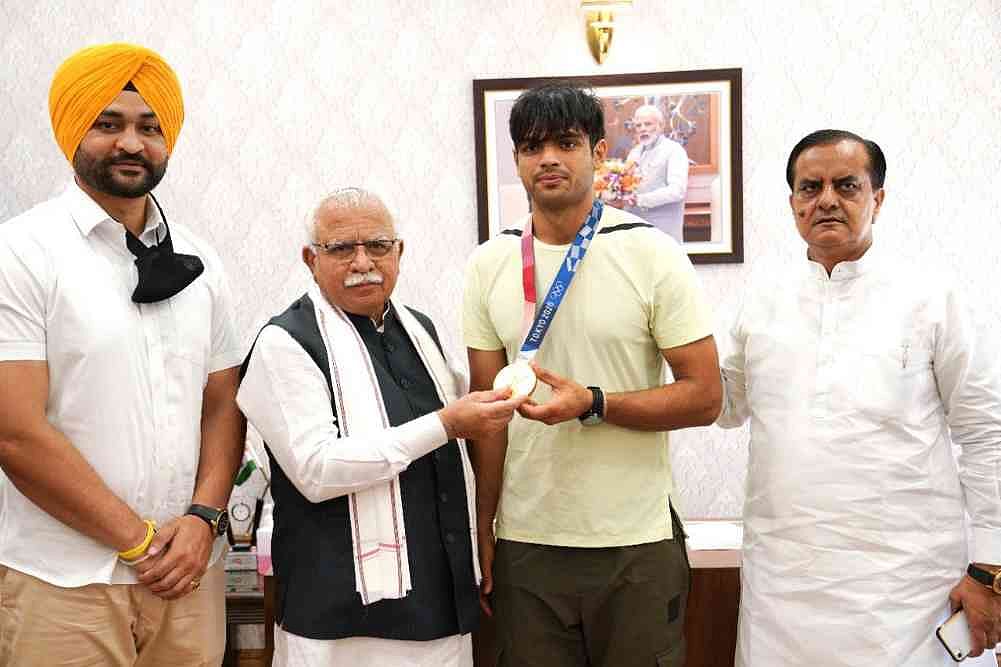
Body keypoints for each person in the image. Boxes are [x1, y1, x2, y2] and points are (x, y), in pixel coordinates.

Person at [0, 43, 246, 665]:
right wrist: (136, 543)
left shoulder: (203, 261)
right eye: (109, 124)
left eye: (148, 127)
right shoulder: (22, 253)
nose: (132, 143)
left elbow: (222, 405)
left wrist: (203, 518)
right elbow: (15, 433)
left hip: (189, 576)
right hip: (63, 582)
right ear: (73, 131)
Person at [717, 129, 1001, 665]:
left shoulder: (932, 297)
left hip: (906, 589)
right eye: (809, 187)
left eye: (846, 185)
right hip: (784, 585)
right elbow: (723, 404)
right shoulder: (760, 299)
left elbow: (987, 432)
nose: (826, 199)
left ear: (878, 198)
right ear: (793, 203)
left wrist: (990, 568)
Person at [463, 83, 722, 667]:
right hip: (528, 543)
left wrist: (595, 403)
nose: (548, 158)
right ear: (517, 162)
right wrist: (484, 522)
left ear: (599, 152)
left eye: (566, 142)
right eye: (532, 147)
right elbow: (487, 416)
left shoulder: (651, 252)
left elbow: (705, 396)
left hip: (635, 543)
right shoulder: (488, 264)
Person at [236, 188, 525, 667]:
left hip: (440, 605)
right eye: (341, 249)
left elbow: (460, 451)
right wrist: (444, 424)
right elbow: (317, 470)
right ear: (311, 259)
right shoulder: (284, 342)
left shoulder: (419, 329)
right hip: (337, 620)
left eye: (377, 246)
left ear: (400, 252)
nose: (362, 262)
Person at [624, 104, 690, 242]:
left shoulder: (674, 150)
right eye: (638, 125)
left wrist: (640, 200)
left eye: (647, 124)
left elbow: (677, 191)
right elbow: (626, 187)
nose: (642, 129)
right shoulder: (634, 152)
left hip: (664, 233)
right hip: (635, 233)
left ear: (661, 126)